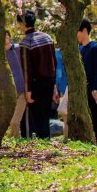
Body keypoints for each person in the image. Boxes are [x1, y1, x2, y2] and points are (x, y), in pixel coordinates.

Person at [17, 10, 58, 140]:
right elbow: (54, 62)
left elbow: (27, 69)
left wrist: (28, 90)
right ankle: (46, 138)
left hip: (36, 82)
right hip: (49, 80)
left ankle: (42, 140)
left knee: (37, 114)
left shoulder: (25, 42)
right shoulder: (47, 37)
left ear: (23, 24)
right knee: (46, 112)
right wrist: (54, 82)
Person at [79, 19, 97, 145]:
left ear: (85, 30)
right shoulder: (80, 49)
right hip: (84, 90)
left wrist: (96, 89)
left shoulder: (95, 48)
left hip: (94, 90)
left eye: (77, 31)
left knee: (96, 119)